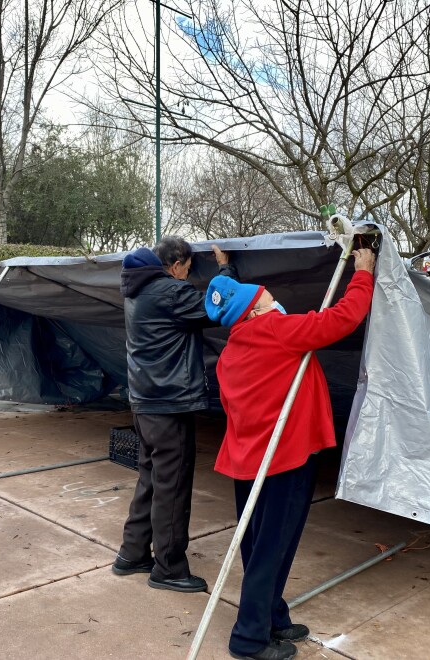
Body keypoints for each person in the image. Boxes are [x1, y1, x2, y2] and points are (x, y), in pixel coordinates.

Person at [204, 248, 376, 660]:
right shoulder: (275, 331)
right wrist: (363, 273)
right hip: (282, 460)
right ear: (253, 312)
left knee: (259, 544)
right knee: (272, 547)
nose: (274, 302)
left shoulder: (231, 351)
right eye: (266, 299)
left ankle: (272, 616)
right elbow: (343, 318)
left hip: (249, 460)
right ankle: (249, 639)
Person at [112, 235, 238, 593]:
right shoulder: (168, 291)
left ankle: (132, 554)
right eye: (187, 269)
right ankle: (168, 568)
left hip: (146, 401)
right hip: (169, 404)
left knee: (151, 479)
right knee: (173, 487)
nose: (187, 276)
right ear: (177, 264)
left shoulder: (136, 291)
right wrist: (226, 268)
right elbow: (219, 306)